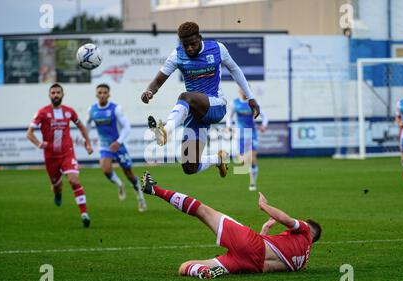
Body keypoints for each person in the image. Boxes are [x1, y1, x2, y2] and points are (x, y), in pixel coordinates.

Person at [141, 171, 322, 279]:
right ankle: (204, 272)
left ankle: (153, 189)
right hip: (248, 265)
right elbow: (272, 258)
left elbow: (286, 219)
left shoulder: (305, 230)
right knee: (184, 267)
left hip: (251, 244)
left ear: (309, 229)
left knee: (203, 211)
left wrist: (264, 206)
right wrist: (264, 231)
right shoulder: (303, 262)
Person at [141, 21, 260, 178]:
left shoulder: (217, 48)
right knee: (190, 166)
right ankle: (218, 159)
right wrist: (149, 91)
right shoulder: (177, 55)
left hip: (216, 105)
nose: (189, 48)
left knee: (185, 96)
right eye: (186, 45)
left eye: (193, 44)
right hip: (196, 112)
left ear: (200, 38)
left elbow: (234, 69)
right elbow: (158, 80)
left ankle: (166, 131)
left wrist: (250, 97)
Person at [26, 83, 93, 228]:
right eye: (53, 93)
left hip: (67, 153)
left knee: (74, 180)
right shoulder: (42, 112)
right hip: (50, 156)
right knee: (57, 186)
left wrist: (87, 143)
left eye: (58, 92)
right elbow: (29, 132)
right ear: (49, 95)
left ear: (63, 95)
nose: (55, 95)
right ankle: (57, 192)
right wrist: (38, 143)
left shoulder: (69, 112)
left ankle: (84, 214)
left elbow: (81, 126)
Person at [86, 84, 147, 212]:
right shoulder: (92, 110)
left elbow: (127, 127)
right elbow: (86, 126)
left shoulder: (116, 109)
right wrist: (86, 141)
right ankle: (120, 185)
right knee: (106, 169)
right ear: (96, 94)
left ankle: (140, 198)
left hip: (118, 146)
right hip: (104, 146)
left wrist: (118, 142)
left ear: (109, 94)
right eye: (100, 92)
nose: (102, 95)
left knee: (129, 174)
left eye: (104, 92)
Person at [226, 87, 268, 191]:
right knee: (242, 162)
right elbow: (229, 117)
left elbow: (264, 115)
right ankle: (246, 165)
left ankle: (253, 183)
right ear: (239, 91)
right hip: (240, 135)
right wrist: (228, 126)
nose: (244, 92)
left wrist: (264, 125)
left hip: (252, 134)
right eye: (242, 90)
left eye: (245, 90)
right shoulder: (234, 103)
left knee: (253, 159)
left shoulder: (252, 103)